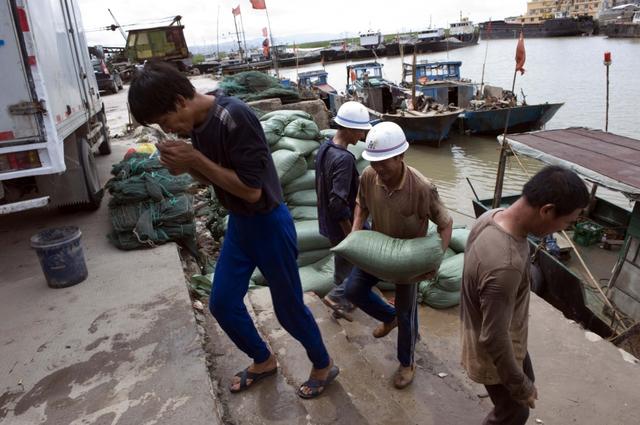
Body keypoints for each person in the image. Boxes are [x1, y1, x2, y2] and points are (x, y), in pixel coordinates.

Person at [127, 62, 338, 399]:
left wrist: (194, 160)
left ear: (180, 101)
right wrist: (185, 165)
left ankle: (324, 364)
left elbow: (252, 190)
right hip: (240, 224)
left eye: (165, 121)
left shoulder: (234, 117)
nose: (168, 129)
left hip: (268, 223)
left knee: (288, 310)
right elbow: (212, 179)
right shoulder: (196, 125)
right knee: (222, 303)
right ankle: (263, 359)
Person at [460, 165, 589, 424]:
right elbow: (494, 338)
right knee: (515, 411)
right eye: (567, 221)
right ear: (547, 210)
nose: (563, 229)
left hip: (508, 333)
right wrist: (520, 385)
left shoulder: (492, 216)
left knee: (516, 402)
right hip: (493, 350)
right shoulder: (504, 263)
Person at [345, 121, 453, 389]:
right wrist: (356, 235)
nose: (378, 168)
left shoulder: (422, 187)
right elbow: (361, 204)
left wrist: (435, 259)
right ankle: (387, 316)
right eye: (374, 162)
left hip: (407, 259)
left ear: (400, 156)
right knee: (352, 290)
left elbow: (445, 223)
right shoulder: (369, 176)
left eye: (384, 162)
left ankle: (407, 363)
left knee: (407, 315)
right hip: (377, 248)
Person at [315, 101, 371, 321]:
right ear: (346, 129)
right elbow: (337, 203)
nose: (362, 134)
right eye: (359, 130)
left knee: (342, 267)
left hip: (328, 223)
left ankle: (340, 307)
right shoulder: (344, 159)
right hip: (343, 224)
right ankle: (338, 297)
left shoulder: (325, 148)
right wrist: (352, 234)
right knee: (368, 266)